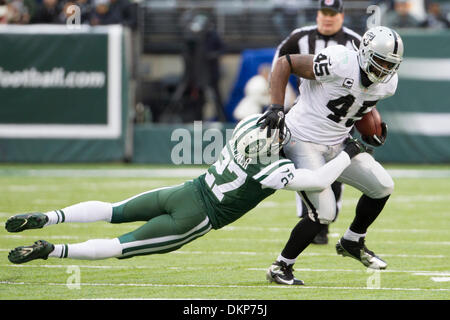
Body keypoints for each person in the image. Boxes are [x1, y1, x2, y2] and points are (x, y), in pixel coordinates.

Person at [5, 115, 368, 266]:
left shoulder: (244, 129)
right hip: (197, 217)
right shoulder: (275, 169)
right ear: (272, 146)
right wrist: (350, 150)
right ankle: (53, 251)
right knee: (120, 246)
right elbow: (321, 182)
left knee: (113, 209)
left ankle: (51, 217)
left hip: (184, 191)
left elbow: (269, 121)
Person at [259, 26, 403, 285]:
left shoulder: (388, 84)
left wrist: (369, 132)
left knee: (382, 186)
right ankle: (281, 266)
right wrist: (276, 107)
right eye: (380, 61)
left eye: (390, 64)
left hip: (337, 142)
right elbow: (285, 62)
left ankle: (353, 240)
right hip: (302, 138)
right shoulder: (339, 61)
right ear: (365, 53)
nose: (384, 69)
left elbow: (358, 106)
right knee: (324, 211)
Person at [272, 0, 361, 245]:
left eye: (333, 13)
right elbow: (279, 65)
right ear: (318, 14)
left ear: (341, 16)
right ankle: (312, 218)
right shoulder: (299, 37)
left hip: (337, 119)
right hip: (307, 116)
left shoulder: (354, 40)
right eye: (324, 12)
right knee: (307, 167)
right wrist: (284, 102)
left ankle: (324, 224)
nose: (328, 18)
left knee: (337, 170)